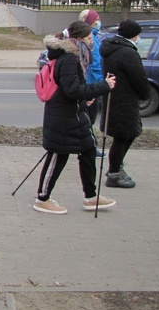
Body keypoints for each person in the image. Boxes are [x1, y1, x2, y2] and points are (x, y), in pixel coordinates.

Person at [33, 21, 117, 215]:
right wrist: (103, 86)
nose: (91, 42)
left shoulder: (74, 56)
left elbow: (72, 89)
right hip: (63, 117)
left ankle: (90, 196)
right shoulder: (69, 58)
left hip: (74, 115)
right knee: (57, 155)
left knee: (88, 150)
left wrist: (86, 96)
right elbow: (72, 90)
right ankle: (42, 198)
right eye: (88, 39)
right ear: (78, 40)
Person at [100, 19, 150, 189]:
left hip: (115, 98)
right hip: (124, 100)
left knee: (126, 134)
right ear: (133, 34)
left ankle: (116, 168)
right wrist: (145, 94)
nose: (140, 37)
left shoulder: (112, 48)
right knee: (124, 136)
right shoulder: (127, 52)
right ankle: (114, 173)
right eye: (138, 34)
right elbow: (139, 77)